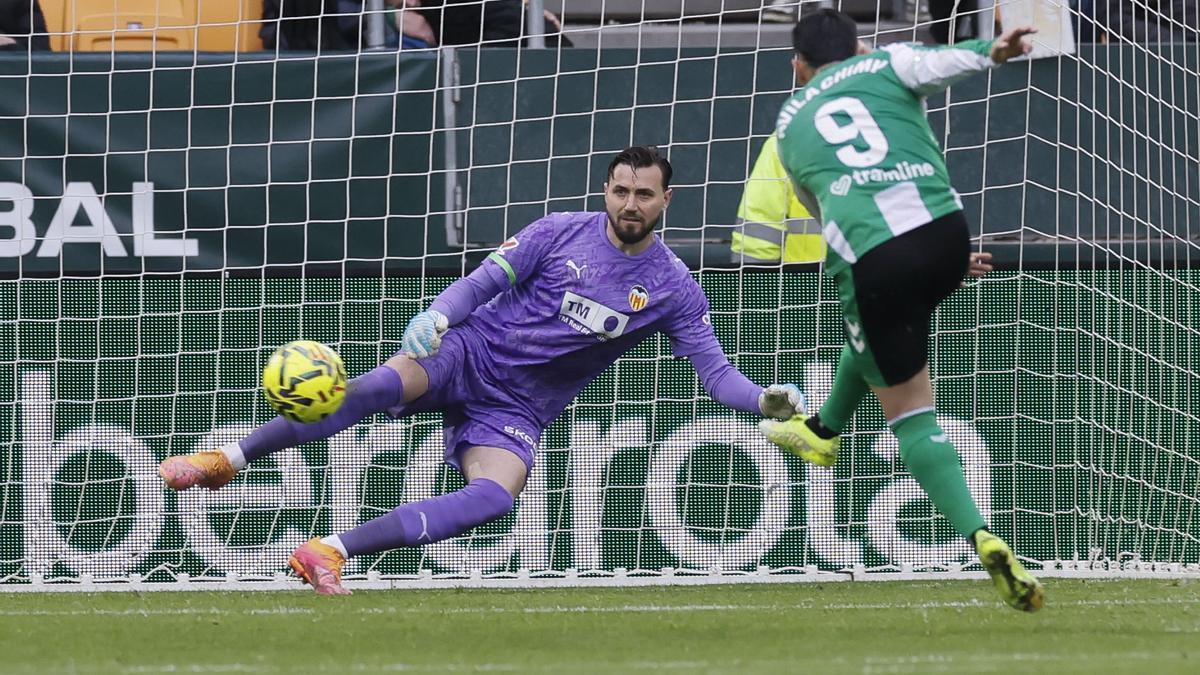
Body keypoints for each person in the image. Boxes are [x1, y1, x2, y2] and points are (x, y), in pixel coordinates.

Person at [159, 146, 809, 595]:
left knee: (496, 497)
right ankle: (225, 460)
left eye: (643, 193)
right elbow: (482, 280)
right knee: (376, 386)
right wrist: (437, 317)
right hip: (468, 351)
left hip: (518, 408)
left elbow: (717, 374)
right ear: (606, 189)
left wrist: (764, 400)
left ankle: (328, 549)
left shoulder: (672, 287)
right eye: (620, 189)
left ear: (665, 198)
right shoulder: (560, 232)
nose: (629, 202)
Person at [759, 9, 1044, 611]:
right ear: (859, 45)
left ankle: (981, 534)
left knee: (911, 409)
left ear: (798, 67)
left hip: (874, 256)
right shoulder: (886, 59)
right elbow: (944, 64)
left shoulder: (788, 124)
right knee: (874, 337)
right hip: (946, 237)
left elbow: (817, 207)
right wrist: (993, 50)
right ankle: (821, 432)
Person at [731, 134, 824, 264]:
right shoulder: (787, 140)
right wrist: (752, 280)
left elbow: (758, 232)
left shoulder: (788, 138)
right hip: (804, 280)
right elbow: (760, 230)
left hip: (806, 279)